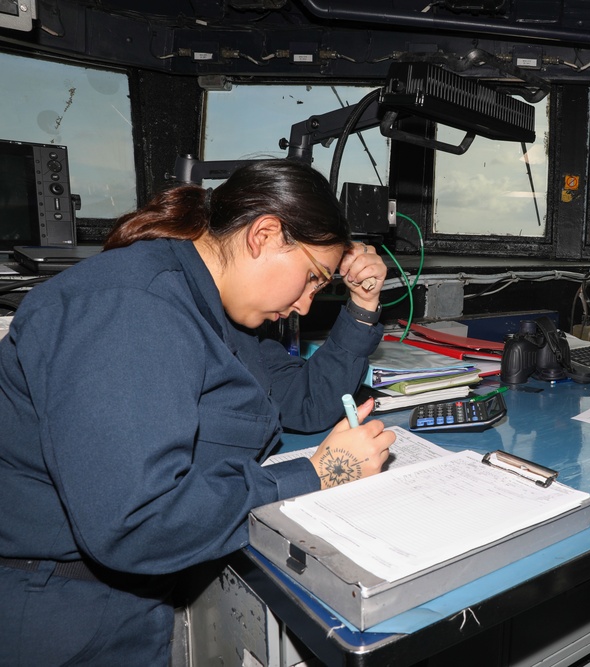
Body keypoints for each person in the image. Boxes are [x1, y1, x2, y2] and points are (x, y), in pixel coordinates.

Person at [0, 159, 396, 665]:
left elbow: (306, 403)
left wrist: (361, 306)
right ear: (266, 235)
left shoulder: (213, 306)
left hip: (125, 592)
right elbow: (136, 523)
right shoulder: (131, 310)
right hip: (54, 610)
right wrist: (319, 474)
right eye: (312, 279)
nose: (304, 306)